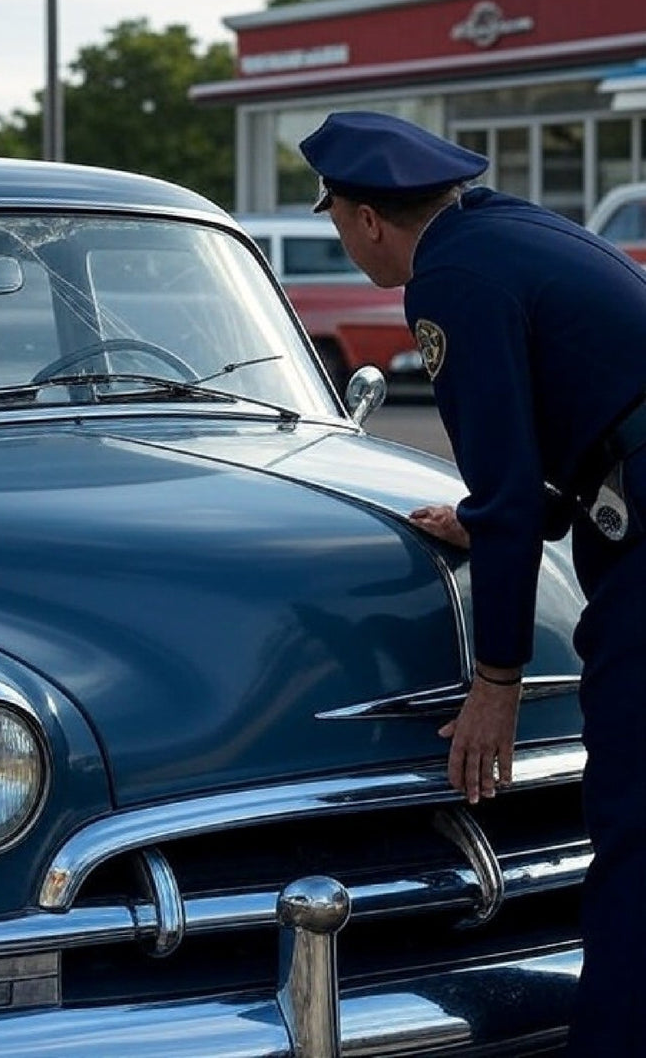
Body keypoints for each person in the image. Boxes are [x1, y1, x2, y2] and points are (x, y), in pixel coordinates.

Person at [298, 109, 646, 1056]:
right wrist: (506, 508)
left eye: (336, 222)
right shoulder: (512, 227)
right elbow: (582, 420)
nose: (344, 239)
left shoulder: (447, 276)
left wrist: (495, 682)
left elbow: (503, 477)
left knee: (632, 822)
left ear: (368, 219)